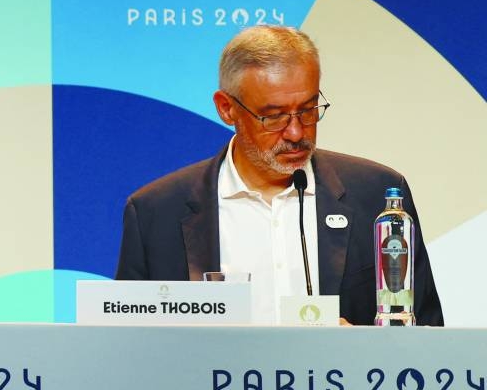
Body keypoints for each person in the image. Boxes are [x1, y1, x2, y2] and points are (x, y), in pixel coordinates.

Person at [115, 25, 443, 326]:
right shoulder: (156, 214)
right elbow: (130, 351)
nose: (297, 132)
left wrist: (360, 348)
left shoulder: (377, 195)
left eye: (309, 109)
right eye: (273, 117)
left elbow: (426, 338)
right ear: (226, 108)